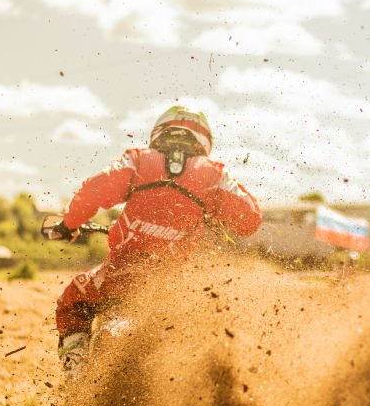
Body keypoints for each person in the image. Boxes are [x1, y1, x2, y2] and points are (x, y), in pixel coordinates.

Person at [53, 106, 262, 375]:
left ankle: (76, 377)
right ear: (204, 140)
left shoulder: (139, 160)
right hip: (168, 290)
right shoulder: (214, 175)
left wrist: (69, 224)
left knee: (71, 301)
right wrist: (212, 209)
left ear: (160, 131)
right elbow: (251, 220)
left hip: (118, 275)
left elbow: (94, 190)